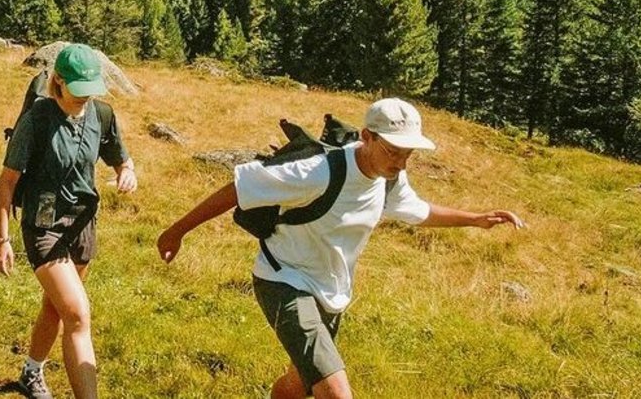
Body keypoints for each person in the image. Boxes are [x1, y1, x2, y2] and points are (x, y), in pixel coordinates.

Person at [156, 98, 524, 399]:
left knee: (298, 384)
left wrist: (476, 219)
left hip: (331, 291)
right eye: (394, 151)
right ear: (367, 137)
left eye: (408, 154)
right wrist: (176, 232)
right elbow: (240, 187)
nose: (401, 162)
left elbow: (419, 211)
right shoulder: (320, 172)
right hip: (284, 280)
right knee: (335, 393)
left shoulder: (389, 179)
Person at [0, 44, 138, 399]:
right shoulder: (37, 120)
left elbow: (120, 157)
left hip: (82, 223)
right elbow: (7, 182)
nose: (85, 97)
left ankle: (31, 372)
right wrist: (3, 239)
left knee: (56, 307)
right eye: (78, 90)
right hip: (44, 224)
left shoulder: (102, 115)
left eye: (91, 90)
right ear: (58, 81)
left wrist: (127, 172)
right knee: (77, 314)